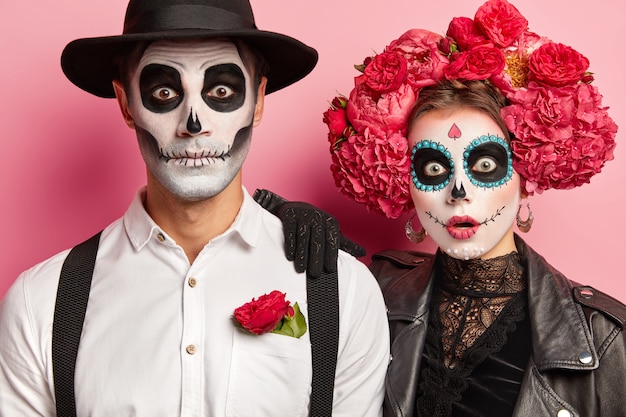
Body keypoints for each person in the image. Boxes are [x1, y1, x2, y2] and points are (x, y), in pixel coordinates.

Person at [0, 0, 389, 416]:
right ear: (126, 103)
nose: (194, 122)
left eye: (221, 91)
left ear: (257, 101)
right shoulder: (41, 302)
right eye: (164, 92)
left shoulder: (343, 292)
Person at [316, 0, 626, 416]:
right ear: (404, 184)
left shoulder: (604, 336)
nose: (458, 190)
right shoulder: (375, 291)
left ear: (527, 171)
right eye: (432, 167)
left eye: (484, 165)